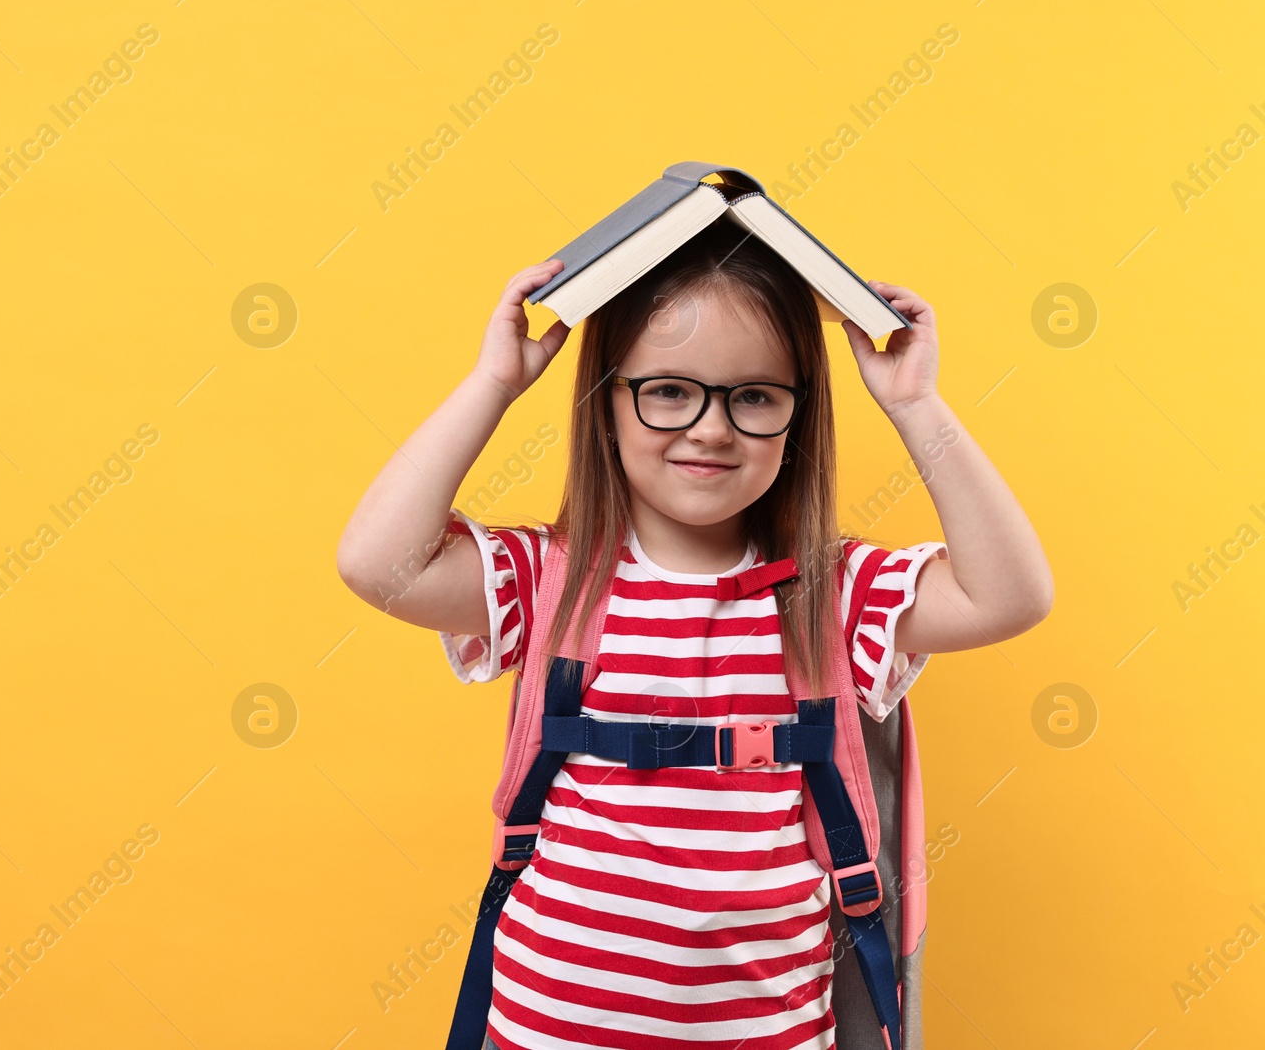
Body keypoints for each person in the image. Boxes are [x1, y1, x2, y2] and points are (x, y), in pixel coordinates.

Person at [336, 217, 1052, 1050]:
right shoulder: (551, 582)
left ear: (797, 417)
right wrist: (495, 382)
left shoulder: (833, 595)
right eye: (669, 390)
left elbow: (1010, 596)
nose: (711, 427)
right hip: (549, 1030)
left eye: (753, 395)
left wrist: (916, 405)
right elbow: (374, 562)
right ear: (605, 402)